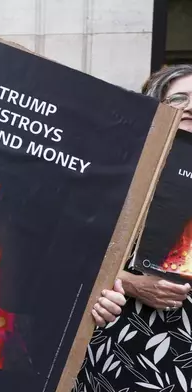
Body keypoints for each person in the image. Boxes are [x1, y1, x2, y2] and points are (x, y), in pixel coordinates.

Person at [76, 64, 192, 392]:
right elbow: (69, 257)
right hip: (119, 348)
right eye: (181, 99)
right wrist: (133, 284)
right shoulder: (115, 176)